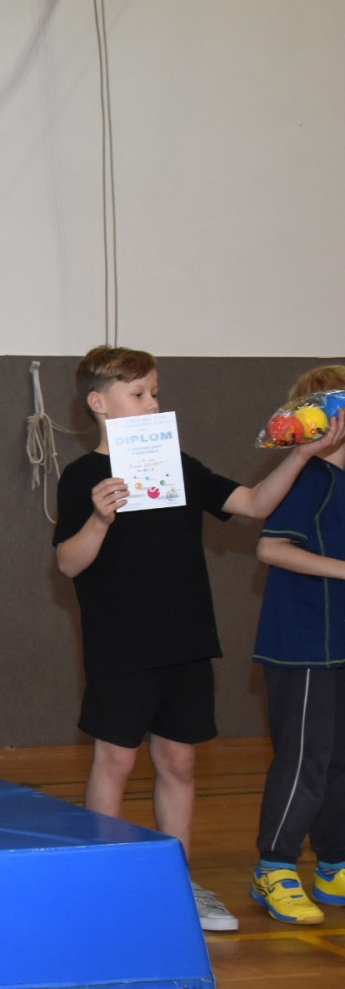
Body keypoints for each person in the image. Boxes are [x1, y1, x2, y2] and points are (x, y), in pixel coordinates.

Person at [53, 346, 344, 931]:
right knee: (115, 760)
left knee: (179, 762)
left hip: (186, 637)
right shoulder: (82, 476)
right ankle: (104, 876)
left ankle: (178, 881)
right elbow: (68, 563)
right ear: (99, 403)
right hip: (122, 643)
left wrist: (301, 454)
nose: (152, 403)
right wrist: (100, 519)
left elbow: (254, 505)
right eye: (138, 394)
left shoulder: (177, 464)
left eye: (155, 393)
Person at [249, 365, 345, 923]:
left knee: (339, 761)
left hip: (339, 644)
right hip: (304, 643)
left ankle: (334, 864)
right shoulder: (308, 478)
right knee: (305, 757)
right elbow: (272, 548)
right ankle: (275, 866)